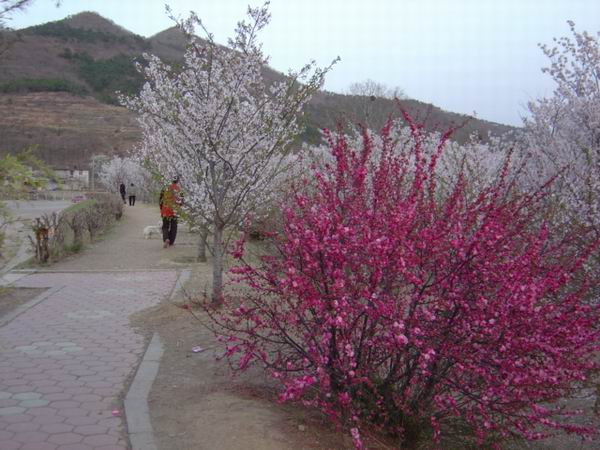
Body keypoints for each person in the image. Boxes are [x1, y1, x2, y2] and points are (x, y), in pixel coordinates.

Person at [160, 178, 182, 248]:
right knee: (174, 227)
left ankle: (166, 238)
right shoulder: (179, 189)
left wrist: (161, 208)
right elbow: (181, 201)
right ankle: (171, 242)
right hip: (175, 210)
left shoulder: (165, 188)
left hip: (166, 209)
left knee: (165, 226)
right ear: (177, 181)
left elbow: (160, 200)